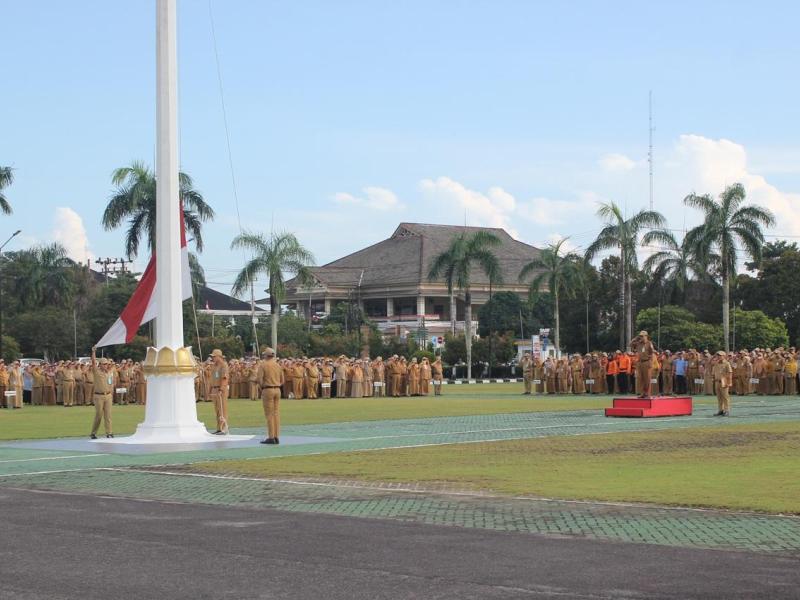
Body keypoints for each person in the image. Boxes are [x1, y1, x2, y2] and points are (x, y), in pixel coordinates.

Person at [257, 347, 284, 444]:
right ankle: (276, 436)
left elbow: (259, 379)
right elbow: (282, 380)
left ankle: (271, 437)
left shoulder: (263, 365)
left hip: (268, 389)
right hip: (277, 389)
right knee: (276, 413)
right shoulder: (278, 365)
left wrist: (262, 388)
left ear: (266, 355)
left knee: (269, 414)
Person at [89, 347, 114, 439]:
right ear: (100, 365)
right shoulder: (96, 371)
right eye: (104, 364)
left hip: (108, 395)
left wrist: (111, 393)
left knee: (108, 415)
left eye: (107, 364)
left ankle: (109, 433)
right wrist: (93, 352)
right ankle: (93, 432)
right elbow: (93, 362)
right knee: (99, 415)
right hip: (98, 396)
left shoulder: (109, 373)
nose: (106, 365)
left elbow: (111, 383)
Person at [209, 349, 230, 434]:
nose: (212, 358)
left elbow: (224, 378)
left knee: (222, 409)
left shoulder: (223, 365)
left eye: (214, 356)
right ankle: (219, 428)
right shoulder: (214, 366)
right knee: (217, 410)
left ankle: (224, 428)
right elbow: (212, 379)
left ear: (219, 356)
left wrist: (221, 389)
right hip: (214, 389)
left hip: (221, 390)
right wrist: (210, 390)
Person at [631, 331, 656, 398]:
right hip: (640, 362)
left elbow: (652, 353)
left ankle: (647, 393)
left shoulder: (649, 343)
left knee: (647, 379)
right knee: (640, 379)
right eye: (640, 336)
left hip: (646, 362)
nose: (641, 337)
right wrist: (636, 338)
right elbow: (631, 344)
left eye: (642, 336)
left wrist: (650, 362)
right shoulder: (639, 343)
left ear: (646, 336)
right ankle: (642, 393)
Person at [712, 350, 733, 416]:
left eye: (720, 355)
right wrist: (713, 378)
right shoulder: (716, 363)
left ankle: (727, 410)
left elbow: (730, 373)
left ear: (724, 356)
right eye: (718, 355)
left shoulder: (727, 363)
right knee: (719, 397)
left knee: (725, 397)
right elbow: (713, 372)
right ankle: (720, 410)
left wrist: (729, 382)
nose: (718, 357)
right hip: (717, 381)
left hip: (724, 381)